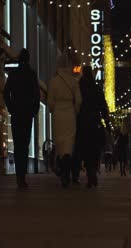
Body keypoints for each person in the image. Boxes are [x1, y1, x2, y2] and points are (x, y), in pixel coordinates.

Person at [3, 49, 40, 189]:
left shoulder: (13, 74)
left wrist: (11, 108)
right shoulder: (31, 74)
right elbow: (36, 94)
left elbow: (6, 92)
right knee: (25, 144)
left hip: (17, 113)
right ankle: (22, 177)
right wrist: (34, 110)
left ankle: (19, 176)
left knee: (18, 144)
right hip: (27, 114)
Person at [47, 53, 82, 188]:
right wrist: (74, 110)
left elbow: (50, 101)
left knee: (60, 143)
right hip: (69, 113)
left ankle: (63, 172)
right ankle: (66, 173)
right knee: (69, 143)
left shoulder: (53, 81)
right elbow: (78, 100)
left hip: (58, 114)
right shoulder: (73, 81)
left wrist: (53, 110)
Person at [76, 66, 109, 188]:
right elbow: (103, 106)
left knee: (85, 149)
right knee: (95, 150)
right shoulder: (96, 88)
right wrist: (107, 122)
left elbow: (77, 104)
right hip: (95, 122)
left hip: (82, 122)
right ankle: (92, 173)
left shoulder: (80, 87)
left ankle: (90, 174)